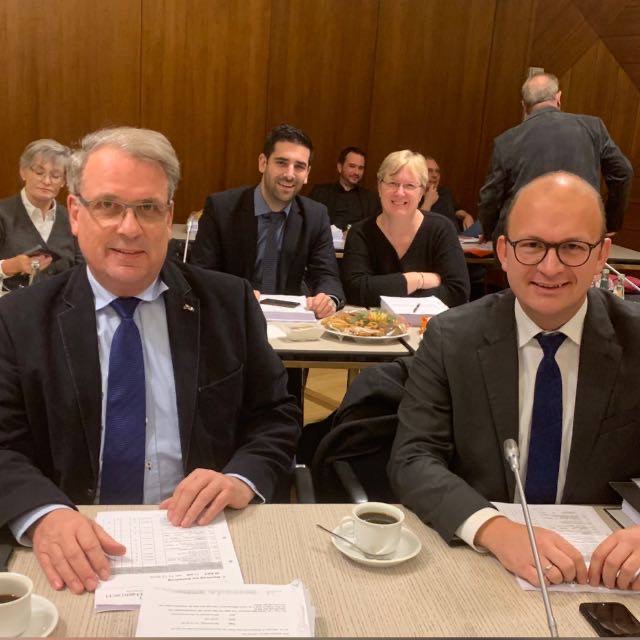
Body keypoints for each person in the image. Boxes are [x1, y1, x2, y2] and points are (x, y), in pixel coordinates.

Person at [0, 127, 300, 595]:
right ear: (75, 213)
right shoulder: (19, 319)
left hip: (205, 541)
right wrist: (44, 513)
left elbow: (275, 416)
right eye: (108, 205)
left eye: (148, 207)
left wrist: (241, 478)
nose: (129, 227)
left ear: (169, 215)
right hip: (69, 547)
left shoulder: (228, 303)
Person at [389, 171, 640, 591]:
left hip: (610, 576)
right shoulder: (452, 337)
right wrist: (494, 529)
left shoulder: (635, 339)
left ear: (602, 255)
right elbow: (413, 458)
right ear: (504, 252)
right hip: (480, 568)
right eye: (532, 245)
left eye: (573, 247)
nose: (550, 267)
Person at [191, 124, 344, 319]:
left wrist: (328, 299)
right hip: (232, 316)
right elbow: (201, 272)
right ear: (263, 163)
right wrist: (236, 292)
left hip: (291, 321)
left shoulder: (316, 215)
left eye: (299, 166)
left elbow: (327, 274)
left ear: (307, 174)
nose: (289, 174)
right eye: (281, 163)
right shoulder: (221, 208)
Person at [478, 73, 633, 240]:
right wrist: (609, 222)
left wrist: (489, 233)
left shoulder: (506, 141)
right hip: (579, 233)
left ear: (524, 106)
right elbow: (623, 172)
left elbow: (490, 198)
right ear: (558, 97)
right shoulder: (593, 128)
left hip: (522, 237)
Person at [340, 150, 470, 308]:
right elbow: (354, 291)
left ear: (421, 192)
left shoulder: (442, 229)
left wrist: (382, 289)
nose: (399, 192)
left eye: (410, 185)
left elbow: (458, 293)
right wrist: (417, 280)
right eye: (392, 183)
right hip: (371, 323)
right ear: (379, 187)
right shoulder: (360, 232)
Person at [0, 139, 81, 290]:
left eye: (55, 176)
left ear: (63, 181)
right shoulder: (3, 214)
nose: (47, 181)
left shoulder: (73, 218)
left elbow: (81, 271)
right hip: (10, 302)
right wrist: (11, 266)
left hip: (60, 302)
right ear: (23, 172)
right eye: (39, 172)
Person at [308, 146, 380, 230]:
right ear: (340, 167)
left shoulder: (371, 198)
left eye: (360, 168)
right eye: (352, 166)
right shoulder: (319, 193)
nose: (357, 172)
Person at [421, 156, 475, 233]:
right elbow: (416, 228)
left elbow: (457, 210)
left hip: (458, 236)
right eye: (429, 171)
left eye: (437, 171)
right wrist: (428, 202)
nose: (435, 175)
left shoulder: (444, 192)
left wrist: (466, 216)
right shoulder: (413, 195)